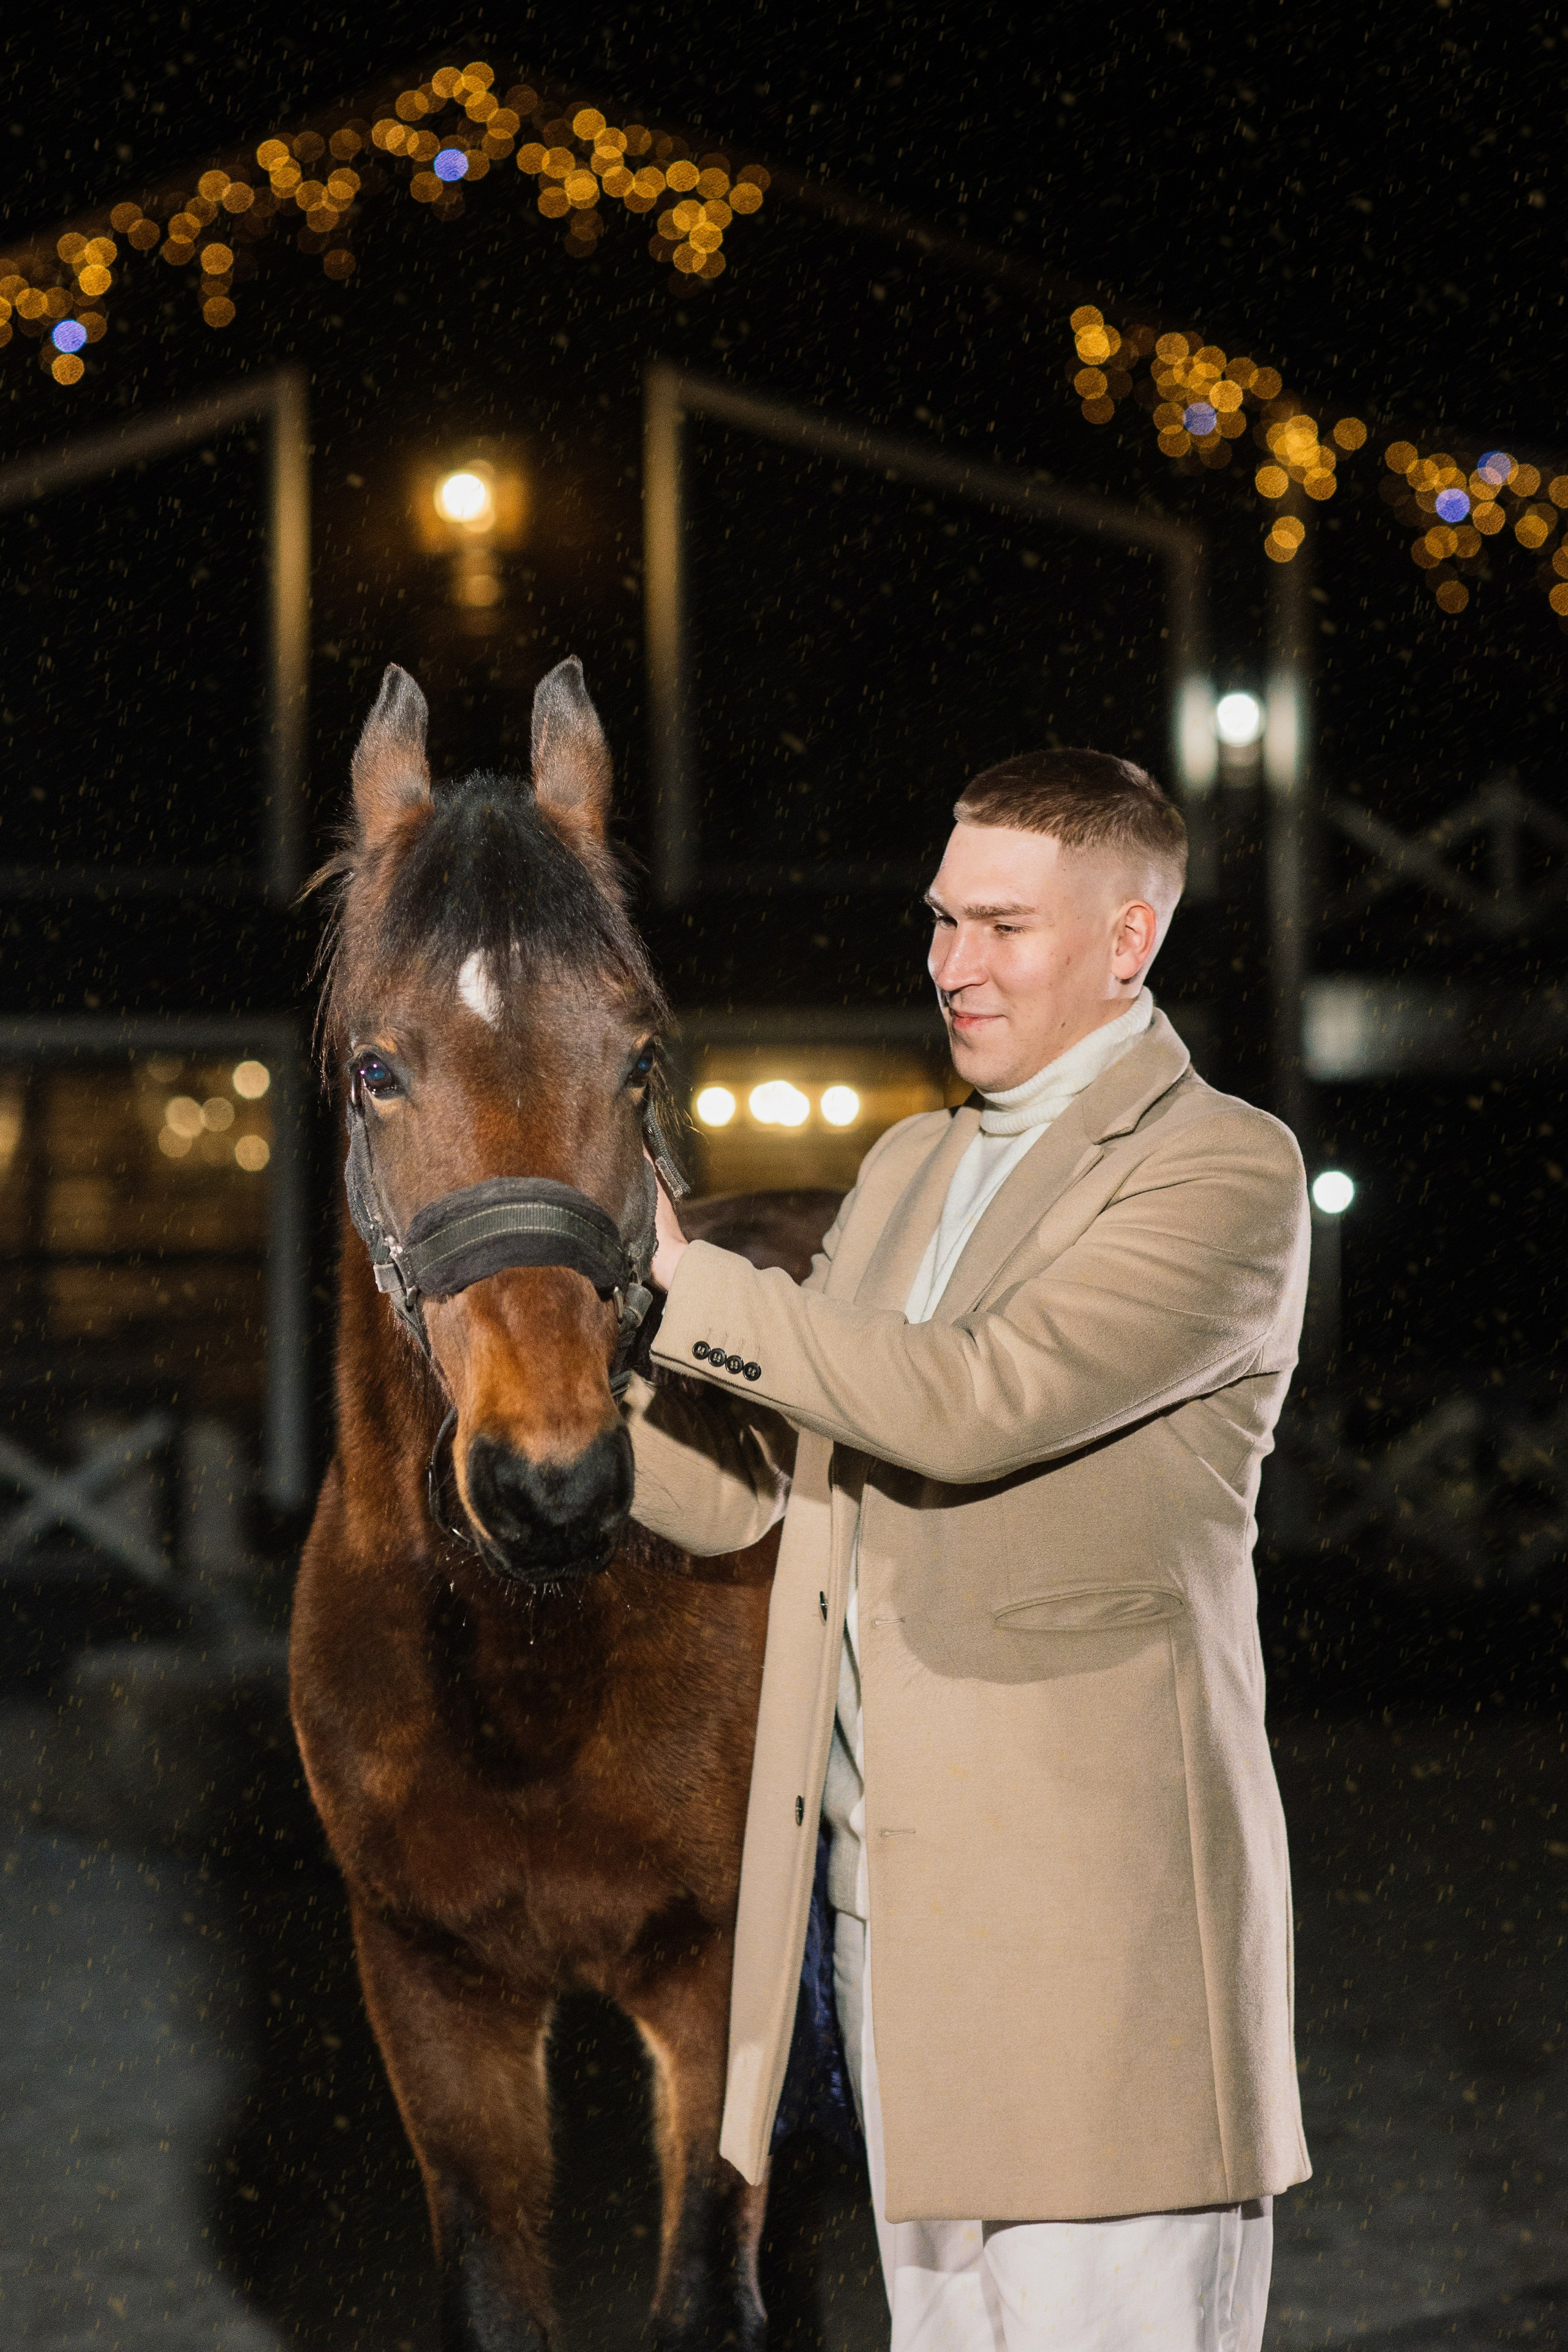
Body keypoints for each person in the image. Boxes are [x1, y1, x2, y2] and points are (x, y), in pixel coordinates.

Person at [626, 748, 1311, 2352]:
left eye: (1001, 925)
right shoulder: (915, 1164)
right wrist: (560, 1414)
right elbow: (762, 1489)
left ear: (1131, 940)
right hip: (886, 1922)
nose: (950, 964)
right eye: (942, 920)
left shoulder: (1222, 1166)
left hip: (1101, 1936)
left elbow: (978, 1405)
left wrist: (691, 1291)